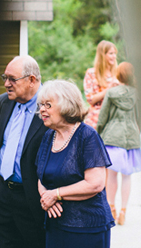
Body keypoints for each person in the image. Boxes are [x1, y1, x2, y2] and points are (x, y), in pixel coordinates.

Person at [35, 80, 115, 248]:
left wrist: (55, 194)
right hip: (55, 224)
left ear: (66, 105)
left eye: (48, 105)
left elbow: (95, 184)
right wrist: (46, 197)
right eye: (41, 105)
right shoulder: (48, 136)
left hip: (86, 228)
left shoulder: (87, 136)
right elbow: (41, 177)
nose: (42, 109)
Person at [0, 56, 48, 248]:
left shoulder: (51, 106)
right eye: (4, 78)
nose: (6, 84)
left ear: (32, 80)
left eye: (12, 79)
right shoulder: (2, 102)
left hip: (31, 201)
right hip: (2, 196)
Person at [96, 62, 141, 226]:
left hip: (112, 137)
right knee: (127, 176)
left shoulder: (112, 92)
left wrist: (99, 133)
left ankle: (111, 208)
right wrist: (136, 132)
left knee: (112, 175)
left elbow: (103, 117)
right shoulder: (138, 94)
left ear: (119, 75)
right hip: (130, 138)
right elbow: (140, 119)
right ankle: (123, 211)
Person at [83, 40, 120, 129]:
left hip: (115, 118)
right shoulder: (91, 73)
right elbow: (90, 99)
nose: (114, 56)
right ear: (103, 55)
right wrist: (108, 89)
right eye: (111, 53)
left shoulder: (118, 73)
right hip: (96, 119)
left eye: (115, 53)